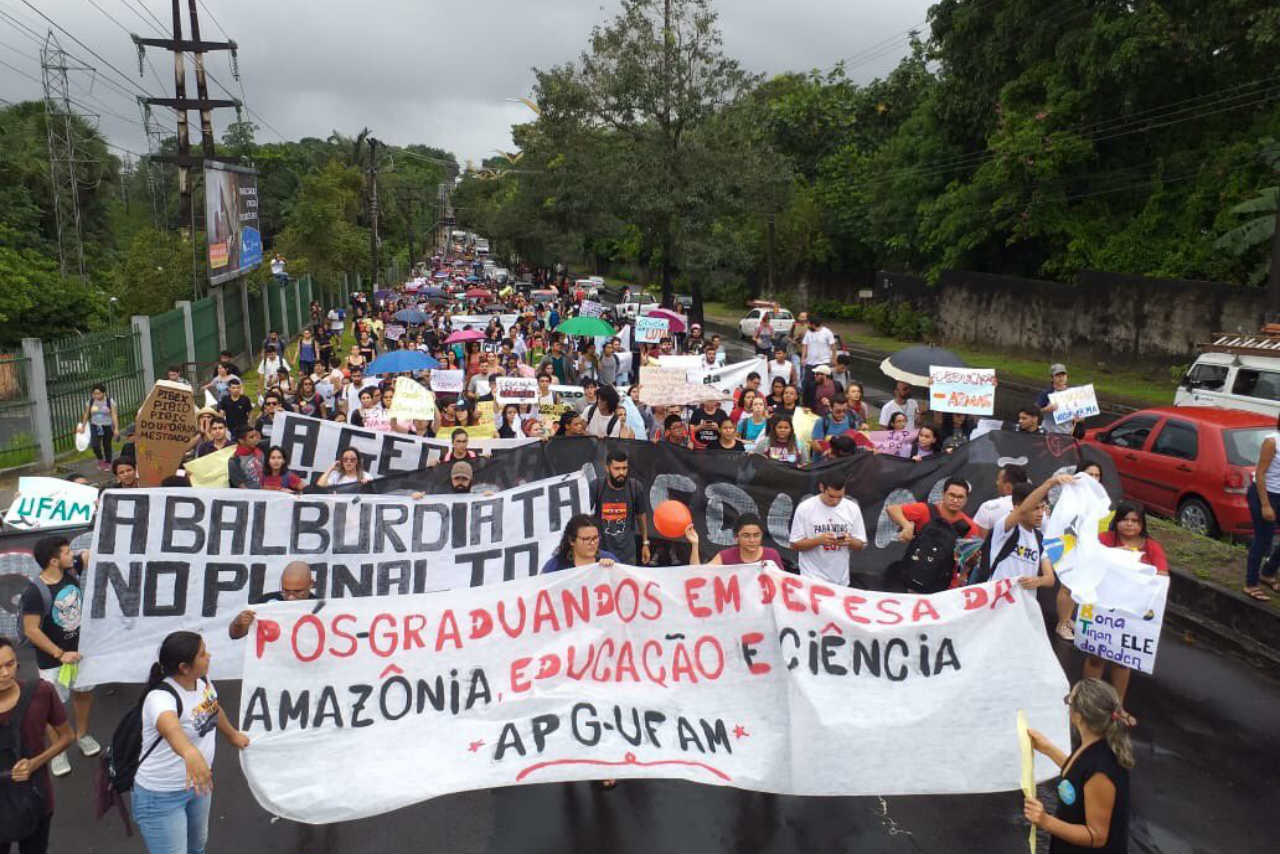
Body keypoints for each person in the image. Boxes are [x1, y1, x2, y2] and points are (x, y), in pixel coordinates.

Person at [132, 631, 249, 854]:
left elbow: (212, 708)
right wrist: (189, 752)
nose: (209, 656)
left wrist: (232, 735)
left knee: (197, 848)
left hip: (199, 787)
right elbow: (171, 728)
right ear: (185, 667)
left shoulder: (201, 681)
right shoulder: (160, 698)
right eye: (203, 654)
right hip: (160, 797)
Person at [1083, 501, 1167, 725]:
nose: (1129, 525)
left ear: (1142, 524)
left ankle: (1118, 706)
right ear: (1117, 521)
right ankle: (1086, 704)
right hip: (1102, 608)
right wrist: (1115, 555)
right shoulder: (1104, 540)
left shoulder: (1152, 547)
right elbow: (1088, 560)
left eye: (1135, 521)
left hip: (1131, 614)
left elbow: (1162, 576)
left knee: (1122, 659)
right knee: (1096, 655)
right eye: (1125, 520)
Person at [1024, 678, 1132, 853]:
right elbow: (1080, 775)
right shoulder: (1094, 743)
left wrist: (1046, 821)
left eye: (1069, 700)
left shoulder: (1101, 772)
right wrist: (1048, 748)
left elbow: (1096, 836)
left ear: (1078, 716)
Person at [20, 537, 95, 780]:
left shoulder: (72, 569)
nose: (71, 554)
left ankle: (82, 735)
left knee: (83, 693)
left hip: (80, 652)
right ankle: (59, 749)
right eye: (66, 552)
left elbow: (92, 553)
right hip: (54, 660)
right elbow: (31, 629)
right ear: (54, 561)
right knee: (54, 705)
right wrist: (60, 654)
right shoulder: (34, 592)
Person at [0, 636, 73, 854]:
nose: (5, 673)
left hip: (36, 798)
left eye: (9, 664)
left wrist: (35, 763)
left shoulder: (41, 692)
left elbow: (67, 736)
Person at [978, 476, 1066, 589]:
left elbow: (1050, 579)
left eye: (1042, 508)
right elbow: (1023, 510)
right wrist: (1050, 483)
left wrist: (1038, 581)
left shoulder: (1040, 539)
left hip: (1024, 604)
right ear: (1016, 507)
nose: (1040, 513)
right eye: (1035, 508)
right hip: (998, 601)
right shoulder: (1005, 528)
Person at [789, 471, 867, 586]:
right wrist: (818, 541)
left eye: (840, 497)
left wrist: (849, 541)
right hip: (811, 577)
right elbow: (794, 544)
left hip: (841, 580)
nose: (835, 501)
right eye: (831, 496)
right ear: (822, 488)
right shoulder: (805, 508)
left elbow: (861, 545)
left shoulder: (852, 508)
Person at [591, 450, 651, 565]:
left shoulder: (635, 487)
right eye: (617, 469)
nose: (622, 472)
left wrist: (645, 544)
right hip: (602, 554)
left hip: (627, 555)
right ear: (607, 468)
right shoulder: (596, 486)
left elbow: (641, 516)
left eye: (624, 468)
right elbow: (584, 517)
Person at [228, 562, 313, 640]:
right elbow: (234, 635)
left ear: (310, 584)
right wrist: (239, 623)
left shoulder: (321, 608)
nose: (291, 597)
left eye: (297, 592)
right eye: (285, 591)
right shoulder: (267, 603)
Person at [1245, 414, 1280, 601]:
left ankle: (1268, 572)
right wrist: (1266, 505)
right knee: (1263, 539)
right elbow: (1260, 473)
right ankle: (1251, 583)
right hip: (1264, 494)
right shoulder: (1272, 442)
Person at [887, 477, 980, 542]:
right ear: (943, 494)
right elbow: (892, 509)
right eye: (952, 495)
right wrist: (906, 525)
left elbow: (969, 558)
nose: (955, 500)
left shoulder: (970, 527)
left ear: (966, 499)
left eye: (960, 497)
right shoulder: (925, 510)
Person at [686, 513, 784, 571]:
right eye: (746, 535)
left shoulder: (772, 555)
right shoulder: (725, 556)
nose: (752, 540)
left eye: (756, 535)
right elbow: (697, 576)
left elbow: (783, 583)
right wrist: (695, 544)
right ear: (736, 537)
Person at [540, 515, 618, 573]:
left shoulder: (609, 559)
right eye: (586, 539)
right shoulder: (555, 566)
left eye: (595, 538)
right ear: (572, 541)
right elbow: (539, 589)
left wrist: (613, 569)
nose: (592, 543)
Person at [973, 464, 1031, 536]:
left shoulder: (988, 507)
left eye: (999, 480)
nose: (996, 483)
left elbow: (980, 541)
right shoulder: (1039, 507)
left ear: (1008, 487)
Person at [79, 384, 118, 472]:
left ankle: (108, 462)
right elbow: (86, 414)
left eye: (99, 393)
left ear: (104, 393)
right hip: (95, 425)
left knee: (106, 445)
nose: (96, 396)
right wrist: (83, 426)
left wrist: (116, 428)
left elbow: (114, 415)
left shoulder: (110, 401)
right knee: (95, 445)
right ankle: (100, 460)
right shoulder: (90, 401)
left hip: (107, 425)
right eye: (94, 394)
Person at [800, 315, 837, 408]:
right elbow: (805, 345)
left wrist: (833, 358)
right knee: (808, 384)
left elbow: (833, 346)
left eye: (809, 323)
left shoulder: (827, 332)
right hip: (810, 363)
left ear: (813, 324)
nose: (808, 325)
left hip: (823, 362)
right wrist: (803, 357)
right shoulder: (809, 332)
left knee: (822, 384)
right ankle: (807, 404)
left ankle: (826, 403)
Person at [1039, 363, 1081, 435]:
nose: (1061, 378)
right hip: (1047, 432)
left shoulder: (1074, 393)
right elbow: (1035, 413)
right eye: (1058, 376)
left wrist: (1078, 422)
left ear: (1067, 376)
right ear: (1052, 378)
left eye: (1063, 375)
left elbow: (1080, 415)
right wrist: (1046, 409)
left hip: (1066, 433)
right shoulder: (1046, 393)